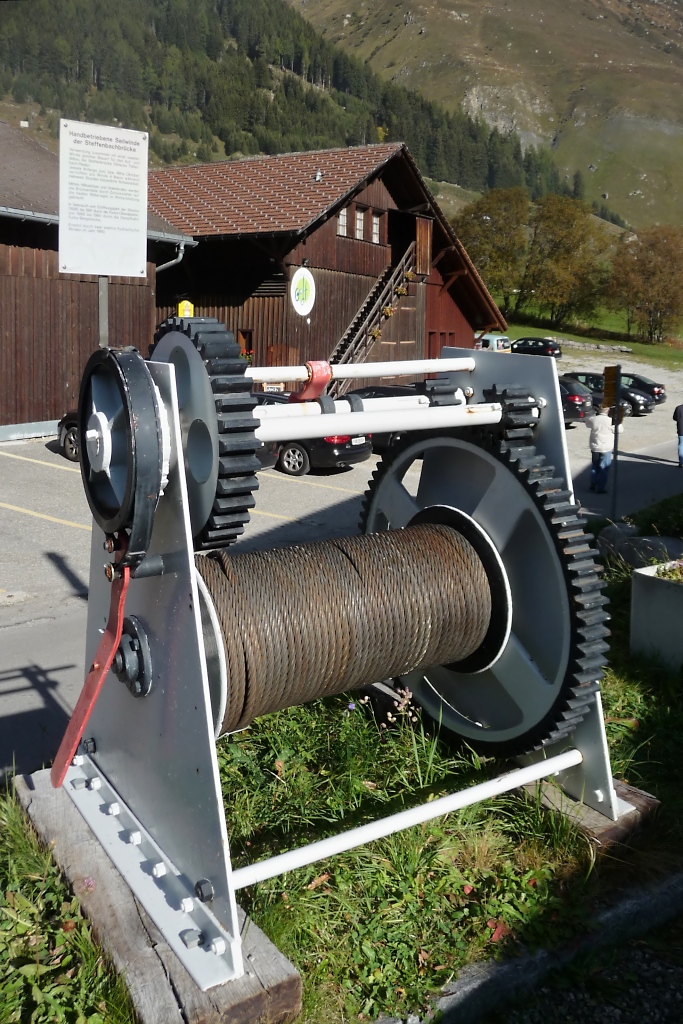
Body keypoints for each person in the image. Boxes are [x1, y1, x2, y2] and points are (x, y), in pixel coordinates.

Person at [586, 405, 622, 493]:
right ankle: (601, 487)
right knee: (604, 468)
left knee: (595, 466)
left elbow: (587, 423)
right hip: (606, 448)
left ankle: (593, 483)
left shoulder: (593, 419)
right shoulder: (611, 421)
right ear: (608, 410)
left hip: (595, 446)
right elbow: (620, 430)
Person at [673, 403, 683, 468]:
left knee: (681, 445)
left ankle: (681, 462)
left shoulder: (678, 408)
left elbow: (674, 418)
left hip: (681, 429)